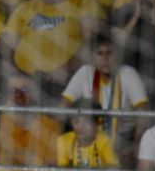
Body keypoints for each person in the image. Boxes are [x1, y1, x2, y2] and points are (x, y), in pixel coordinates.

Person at [0, 0, 101, 99]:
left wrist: (67, 69)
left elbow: (92, 42)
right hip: (24, 81)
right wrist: (13, 72)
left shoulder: (84, 3)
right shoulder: (25, 8)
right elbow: (6, 46)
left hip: (64, 82)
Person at [62, 34, 150, 163]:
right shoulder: (85, 72)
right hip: (88, 136)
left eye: (110, 53)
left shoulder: (128, 73)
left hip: (124, 139)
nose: (105, 59)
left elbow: (144, 113)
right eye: (100, 53)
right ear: (93, 56)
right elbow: (63, 106)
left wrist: (136, 145)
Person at [0, 72, 60, 167]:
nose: (19, 95)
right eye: (13, 90)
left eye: (24, 90)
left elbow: (51, 164)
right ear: (6, 94)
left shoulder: (49, 125)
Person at [56, 98, 119, 169]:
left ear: (97, 123)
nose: (80, 126)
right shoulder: (64, 141)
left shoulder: (104, 140)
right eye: (76, 121)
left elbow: (114, 168)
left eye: (87, 122)